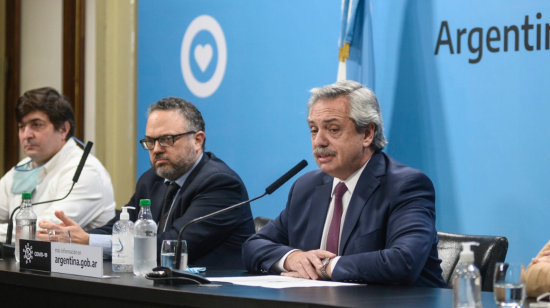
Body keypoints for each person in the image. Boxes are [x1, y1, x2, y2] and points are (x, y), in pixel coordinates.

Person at [242, 80, 446, 287]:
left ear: (367, 134)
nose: (319, 141)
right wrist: (293, 258)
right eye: (314, 130)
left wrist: (325, 266)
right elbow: (254, 246)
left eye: (333, 129)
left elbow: (403, 261)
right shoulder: (306, 187)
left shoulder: (405, 185)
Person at [39, 97, 255, 269]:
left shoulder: (220, 184)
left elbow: (171, 246)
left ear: (197, 140)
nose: (157, 149)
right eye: (150, 141)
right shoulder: (151, 179)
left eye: (167, 139)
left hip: (211, 296)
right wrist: (71, 237)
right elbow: (117, 229)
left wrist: (88, 241)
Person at [0, 87, 115, 243]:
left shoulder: (86, 171)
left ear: (63, 129)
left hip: (76, 265)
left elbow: (44, 231)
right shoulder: (24, 166)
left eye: (37, 125)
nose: (27, 135)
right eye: (22, 127)